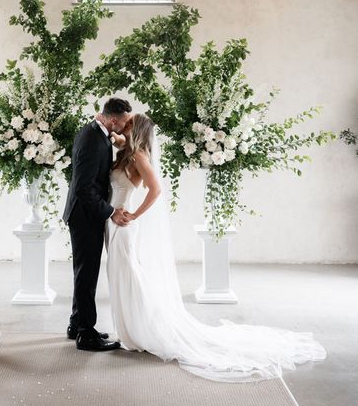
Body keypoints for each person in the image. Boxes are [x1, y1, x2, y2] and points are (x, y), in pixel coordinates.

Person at [105, 113, 327, 382]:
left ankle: (142, 331)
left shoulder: (139, 156)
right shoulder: (127, 152)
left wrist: (135, 214)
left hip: (124, 224)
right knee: (120, 276)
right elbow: (117, 146)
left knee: (130, 277)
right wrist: (113, 135)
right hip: (113, 223)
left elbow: (156, 189)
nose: (123, 126)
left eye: (128, 124)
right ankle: (130, 330)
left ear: (136, 129)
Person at [62, 97, 132, 352]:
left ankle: (76, 324)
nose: (125, 128)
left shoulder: (97, 132)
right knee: (86, 273)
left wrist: (120, 141)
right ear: (113, 119)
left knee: (84, 271)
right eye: (123, 123)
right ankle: (85, 334)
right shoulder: (93, 139)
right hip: (84, 215)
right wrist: (110, 211)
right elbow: (83, 188)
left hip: (85, 214)